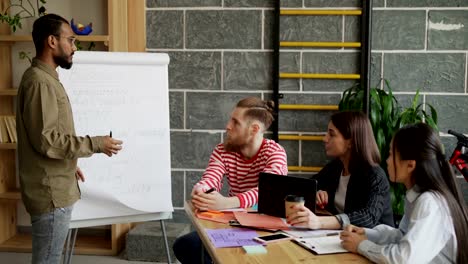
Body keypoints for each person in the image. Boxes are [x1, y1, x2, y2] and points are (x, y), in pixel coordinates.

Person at [16, 14, 123, 264]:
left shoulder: (46, 79)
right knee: (48, 260)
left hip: (56, 185)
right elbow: (47, 141)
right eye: (71, 40)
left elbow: (49, 135)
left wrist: (70, 164)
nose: (74, 47)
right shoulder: (40, 83)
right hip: (51, 194)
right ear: (51, 41)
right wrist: (97, 144)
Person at [173, 97, 288, 264]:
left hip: (267, 228)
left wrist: (227, 203)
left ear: (254, 129)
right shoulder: (223, 149)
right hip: (235, 224)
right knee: (185, 246)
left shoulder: (275, 153)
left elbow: (267, 191)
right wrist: (201, 190)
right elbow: (211, 177)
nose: (228, 126)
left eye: (235, 122)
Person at [340, 123, 468, 263]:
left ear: (410, 165)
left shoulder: (430, 202)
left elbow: (404, 259)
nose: (387, 161)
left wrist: (361, 245)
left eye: (390, 154)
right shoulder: (417, 195)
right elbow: (403, 235)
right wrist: (367, 234)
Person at [287, 111, 394, 229]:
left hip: (374, 243)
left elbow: (368, 217)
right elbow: (306, 187)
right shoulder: (336, 167)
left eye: (331, 134)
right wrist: (315, 193)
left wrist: (320, 222)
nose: (325, 139)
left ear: (351, 142)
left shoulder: (375, 175)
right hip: (341, 238)